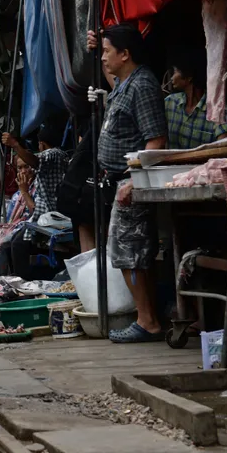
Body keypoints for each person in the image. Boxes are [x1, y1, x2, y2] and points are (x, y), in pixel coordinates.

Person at [87, 25, 167, 343]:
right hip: (120, 183)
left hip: (131, 184)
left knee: (131, 254)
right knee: (125, 254)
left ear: (125, 54)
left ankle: (147, 321)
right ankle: (145, 318)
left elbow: (156, 140)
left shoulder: (143, 85)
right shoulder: (125, 82)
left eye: (108, 51)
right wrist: (96, 52)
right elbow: (112, 77)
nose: (104, 57)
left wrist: (135, 180)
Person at [1, 121, 69, 240]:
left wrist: (15, 145)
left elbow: (36, 162)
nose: (23, 171)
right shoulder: (58, 157)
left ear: (42, 144)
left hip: (48, 215)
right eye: (19, 168)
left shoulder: (54, 153)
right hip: (46, 215)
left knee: (17, 242)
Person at [164, 48, 227, 150]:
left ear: (189, 77)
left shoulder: (217, 110)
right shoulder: (169, 103)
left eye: (175, 71)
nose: (172, 78)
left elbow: (224, 149)